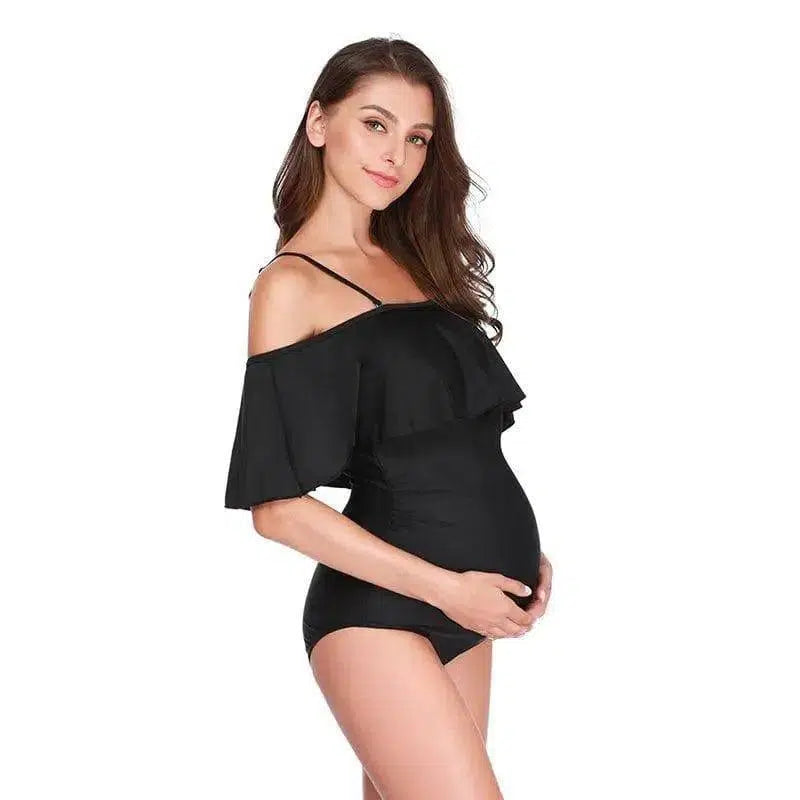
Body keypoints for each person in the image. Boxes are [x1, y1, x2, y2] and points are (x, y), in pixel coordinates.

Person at [224, 36, 553, 800]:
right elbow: (276, 508)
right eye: (375, 123)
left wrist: (513, 551)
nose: (395, 155)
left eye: (417, 138)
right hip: (382, 612)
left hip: (470, 602)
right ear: (318, 123)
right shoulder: (291, 285)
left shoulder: (417, 265)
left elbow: (449, 450)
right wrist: (446, 588)